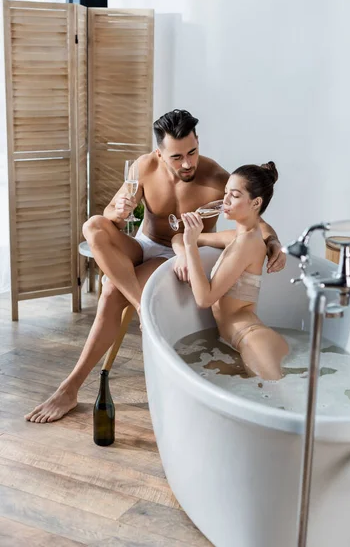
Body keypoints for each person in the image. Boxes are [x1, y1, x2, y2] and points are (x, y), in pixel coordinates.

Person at [25, 110, 286, 423]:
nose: (187, 163)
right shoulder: (144, 167)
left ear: (198, 142)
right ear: (159, 153)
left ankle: (70, 388)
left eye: (193, 151)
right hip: (142, 243)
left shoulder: (216, 177)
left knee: (109, 295)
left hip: (173, 255)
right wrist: (118, 211)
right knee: (93, 226)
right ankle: (141, 309)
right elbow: (111, 214)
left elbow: (256, 219)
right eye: (177, 157)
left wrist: (274, 245)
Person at [172, 162, 288, 380]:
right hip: (237, 340)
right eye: (225, 192)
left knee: (280, 406)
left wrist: (190, 246)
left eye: (234, 195)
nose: (224, 201)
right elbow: (177, 236)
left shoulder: (248, 243)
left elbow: (204, 298)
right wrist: (183, 252)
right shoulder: (234, 237)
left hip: (253, 339)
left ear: (256, 203)